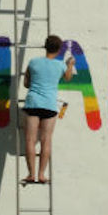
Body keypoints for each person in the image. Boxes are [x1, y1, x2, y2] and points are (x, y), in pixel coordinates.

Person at [19, 35, 74, 184]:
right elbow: (68, 78)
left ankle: (31, 174)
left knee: (30, 140)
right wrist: (70, 64)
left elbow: (26, 83)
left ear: (45, 46)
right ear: (58, 49)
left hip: (32, 103)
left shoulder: (33, 62)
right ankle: (42, 174)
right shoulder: (60, 65)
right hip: (49, 106)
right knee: (46, 140)